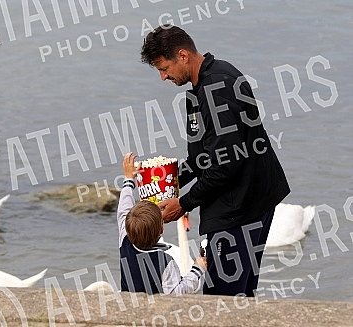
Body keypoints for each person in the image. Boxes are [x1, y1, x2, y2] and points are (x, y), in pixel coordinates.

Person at [140, 25, 290, 297]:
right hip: (247, 199)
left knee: (220, 301)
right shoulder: (200, 88)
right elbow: (201, 158)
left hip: (242, 208)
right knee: (240, 297)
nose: (163, 77)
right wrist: (161, 182)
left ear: (183, 56)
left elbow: (225, 166)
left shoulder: (218, 89)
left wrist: (183, 203)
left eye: (164, 68)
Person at [118, 152, 207, 295]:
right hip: (154, 313)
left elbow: (123, 210)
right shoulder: (165, 261)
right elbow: (176, 292)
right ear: (161, 229)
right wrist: (198, 269)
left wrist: (129, 179)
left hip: (129, 309)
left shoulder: (125, 242)